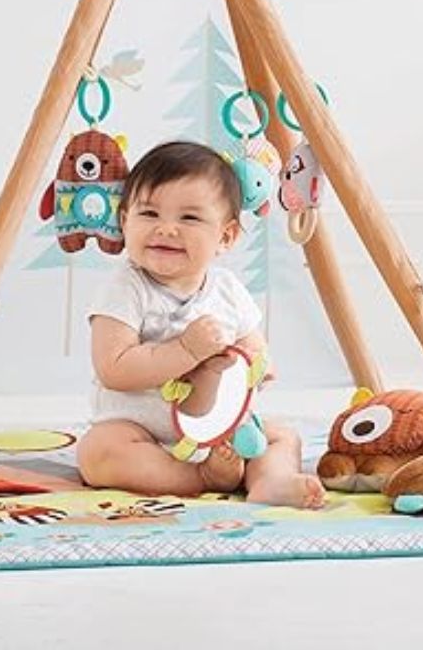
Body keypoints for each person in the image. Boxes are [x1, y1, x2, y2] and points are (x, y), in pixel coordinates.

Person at [76, 140, 326, 509]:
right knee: (99, 452)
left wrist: (256, 365)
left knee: (281, 437)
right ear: (124, 220)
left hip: (218, 428)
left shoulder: (226, 288)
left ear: (225, 236)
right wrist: (185, 351)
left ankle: (271, 483)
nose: (166, 229)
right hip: (145, 433)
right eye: (149, 214)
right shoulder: (125, 288)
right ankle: (197, 478)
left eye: (189, 218)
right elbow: (113, 368)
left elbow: (253, 345)